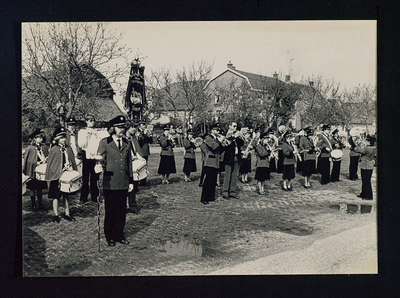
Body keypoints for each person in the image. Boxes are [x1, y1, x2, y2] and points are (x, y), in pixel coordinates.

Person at [96, 115, 134, 247]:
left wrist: (131, 181)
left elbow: (129, 164)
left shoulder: (127, 143)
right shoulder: (105, 143)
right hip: (110, 182)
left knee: (122, 210)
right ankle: (109, 235)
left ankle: (119, 234)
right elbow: (100, 159)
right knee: (111, 210)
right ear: (112, 128)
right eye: (119, 127)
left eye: (123, 127)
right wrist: (99, 166)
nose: (122, 130)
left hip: (123, 182)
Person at [45, 127, 78, 223]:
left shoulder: (68, 148)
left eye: (64, 137)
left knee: (66, 195)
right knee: (56, 196)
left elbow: (72, 160)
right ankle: (56, 214)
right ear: (57, 139)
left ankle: (67, 213)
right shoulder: (54, 150)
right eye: (61, 137)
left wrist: (71, 167)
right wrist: (59, 170)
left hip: (67, 176)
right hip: (56, 177)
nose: (64, 139)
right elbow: (52, 165)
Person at [23, 128, 49, 211]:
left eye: (42, 137)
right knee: (32, 188)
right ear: (35, 138)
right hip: (33, 171)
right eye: (39, 137)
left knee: (40, 188)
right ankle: (33, 204)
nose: (41, 139)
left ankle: (40, 204)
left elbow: (47, 156)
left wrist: (46, 159)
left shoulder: (44, 147)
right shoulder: (30, 148)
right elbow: (28, 161)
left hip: (41, 171)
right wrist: (35, 163)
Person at [77, 114, 102, 203]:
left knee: (94, 177)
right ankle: (83, 197)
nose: (92, 122)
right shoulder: (82, 132)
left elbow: (99, 143)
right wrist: (87, 136)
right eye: (90, 120)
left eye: (93, 120)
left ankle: (94, 196)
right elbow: (81, 145)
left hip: (94, 155)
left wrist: (95, 134)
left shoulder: (96, 132)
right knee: (85, 177)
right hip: (86, 155)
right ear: (86, 121)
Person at [201, 123, 224, 205]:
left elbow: (220, 150)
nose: (218, 131)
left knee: (213, 181)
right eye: (217, 130)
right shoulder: (208, 138)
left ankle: (211, 196)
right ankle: (204, 198)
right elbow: (214, 147)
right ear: (212, 130)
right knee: (208, 181)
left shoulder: (215, 139)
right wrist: (220, 141)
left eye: (218, 130)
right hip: (210, 162)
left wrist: (222, 143)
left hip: (216, 162)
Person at [222, 122, 244, 200]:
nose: (235, 128)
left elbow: (241, 144)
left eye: (236, 126)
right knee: (227, 175)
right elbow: (225, 144)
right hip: (229, 158)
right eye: (234, 126)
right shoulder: (227, 134)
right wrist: (234, 136)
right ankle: (225, 192)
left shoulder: (237, 135)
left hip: (236, 157)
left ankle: (232, 192)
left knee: (234, 176)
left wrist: (240, 137)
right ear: (230, 126)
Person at [125, 121, 143, 214]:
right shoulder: (123, 138)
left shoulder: (134, 138)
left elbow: (137, 150)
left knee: (133, 184)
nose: (135, 129)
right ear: (128, 128)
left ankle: (132, 205)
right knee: (125, 186)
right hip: (125, 165)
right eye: (133, 127)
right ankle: (123, 206)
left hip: (134, 164)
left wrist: (141, 158)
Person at [354, 135, 377, 200]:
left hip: (365, 166)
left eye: (366, 141)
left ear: (369, 142)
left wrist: (357, 144)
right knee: (366, 181)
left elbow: (358, 150)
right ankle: (363, 194)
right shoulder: (374, 148)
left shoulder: (367, 148)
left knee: (366, 181)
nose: (365, 142)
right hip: (370, 166)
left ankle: (368, 196)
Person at [137, 120, 153, 186]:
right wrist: (143, 134)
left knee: (144, 166)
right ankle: (138, 180)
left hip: (145, 151)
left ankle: (143, 181)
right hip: (140, 151)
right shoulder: (138, 132)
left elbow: (151, 141)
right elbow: (140, 142)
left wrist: (150, 136)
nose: (144, 126)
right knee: (139, 166)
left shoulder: (146, 132)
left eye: (144, 125)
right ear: (139, 125)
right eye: (142, 125)